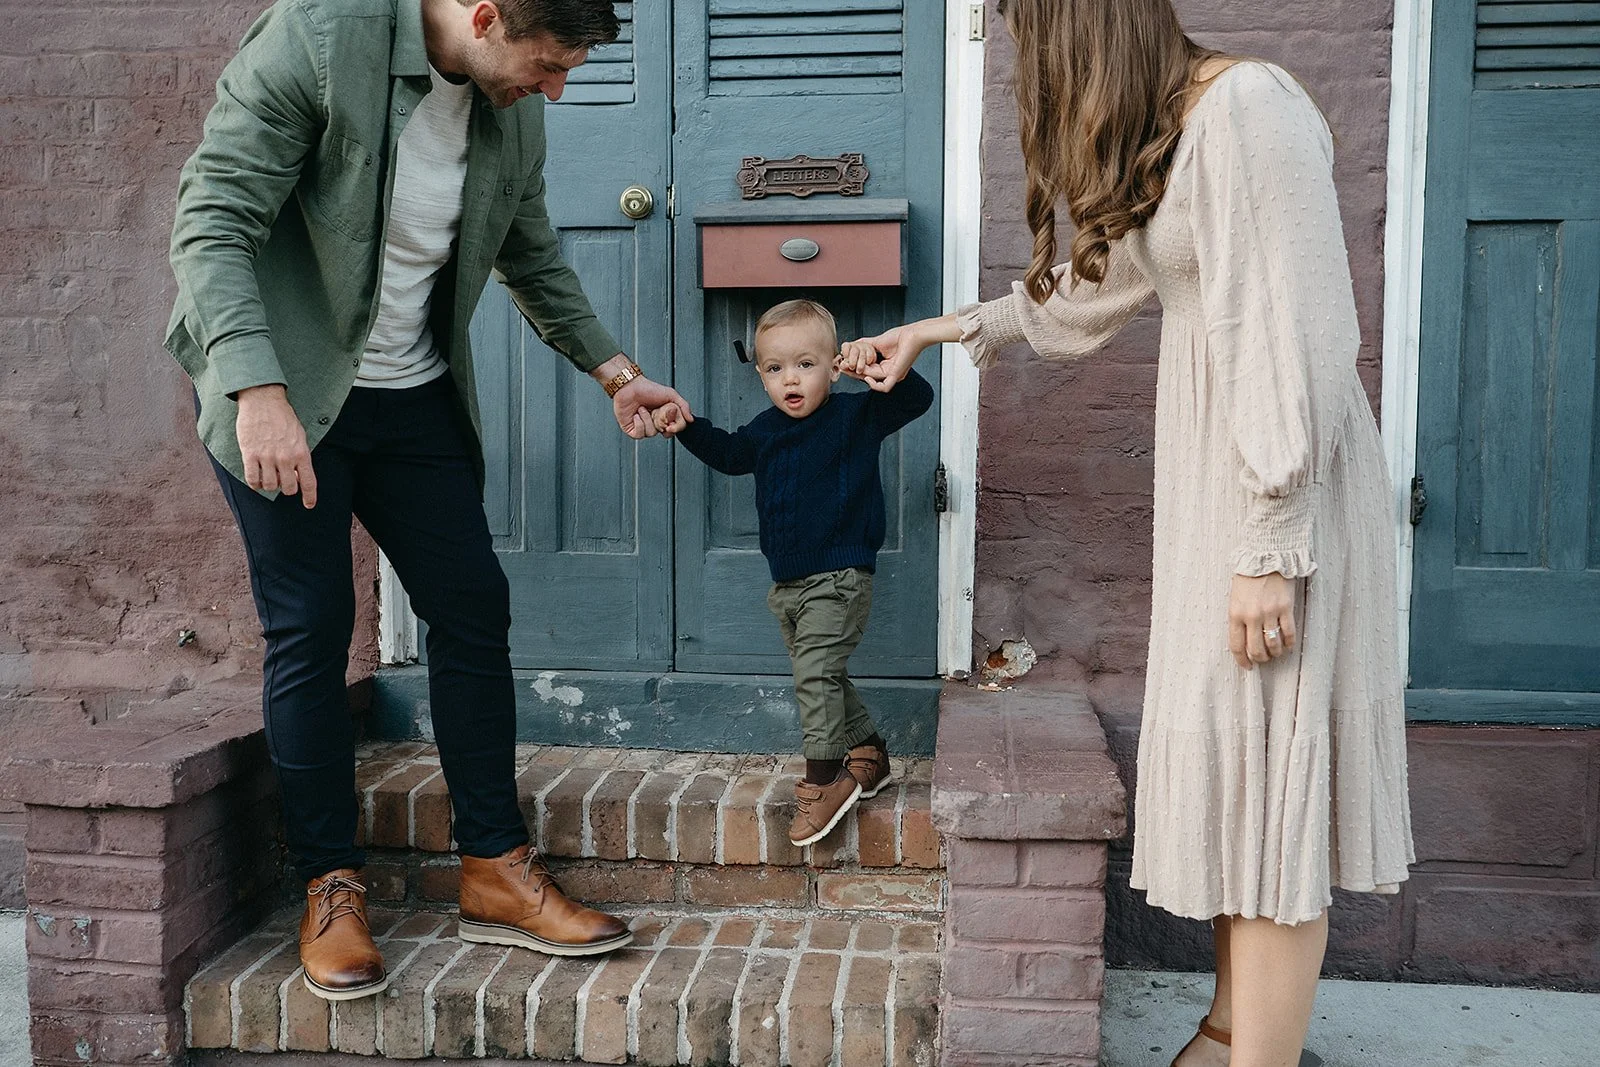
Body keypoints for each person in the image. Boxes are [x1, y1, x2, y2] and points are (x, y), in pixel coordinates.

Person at [837, 1, 1415, 1063]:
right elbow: (1101, 285)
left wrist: (1269, 546)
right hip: (1226, 501)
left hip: (1269, 509)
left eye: (1033, 36)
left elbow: (1299, 333)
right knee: (1245, 776)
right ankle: (1227, 1028)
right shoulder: (1182, 129)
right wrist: (945, 328)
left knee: (1273, 789)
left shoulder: (1249, 110)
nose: (1028, 62)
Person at [166, 0, 691, 1001]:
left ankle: (495, 866)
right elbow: (212, 219)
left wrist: (616, 371)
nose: (556, 90)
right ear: (483, 14)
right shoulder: (320, 40)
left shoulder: (511, 105)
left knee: (470, 605)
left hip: (412, 399)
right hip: (285, 394)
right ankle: (330, 884)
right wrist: (255, 390)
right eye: (544, 65)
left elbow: (527, 250)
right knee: (312, 627)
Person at [652, 300, 933, 846]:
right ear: (760, 374)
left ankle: (824, 782)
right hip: (788, 585)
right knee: (822, 673)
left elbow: (916, 398)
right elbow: (730, 454)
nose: (790, 379)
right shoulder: (765, 430)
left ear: (833, 366)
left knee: (814, 675)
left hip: (840, 576)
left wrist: (877, 359)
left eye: (805, 364)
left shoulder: (857, 415)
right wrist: (686, 428)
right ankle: (869, 752)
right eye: (775, 368)